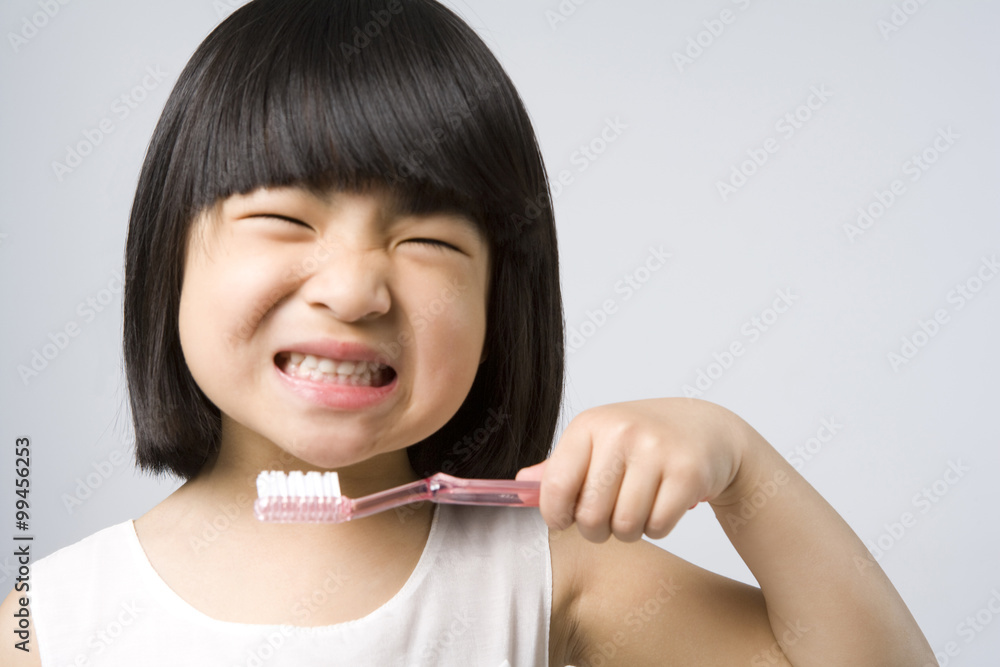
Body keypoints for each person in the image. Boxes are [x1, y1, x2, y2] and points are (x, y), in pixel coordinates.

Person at [2, 0, 935, 664]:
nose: (358, 286)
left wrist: (742, 465)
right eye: (286, 220)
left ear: (504, 306)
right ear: (166, 261)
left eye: (428, 240)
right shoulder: (45, 622)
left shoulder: (544, 574)